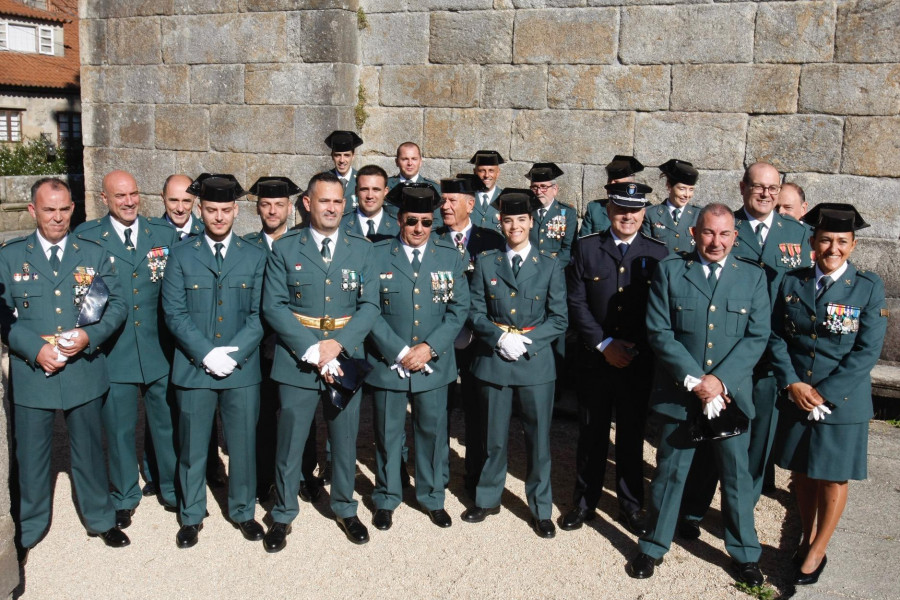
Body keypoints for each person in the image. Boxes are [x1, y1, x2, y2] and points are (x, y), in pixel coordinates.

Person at [628, 203, 769, 585]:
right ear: (694, 233)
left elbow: (757, 337)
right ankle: (653, 545)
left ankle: (745, 554)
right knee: (669, 474)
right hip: (680, 393)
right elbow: (659, 331)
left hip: (730, 396)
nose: (716, 241)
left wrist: (719, 382)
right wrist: (696, 380)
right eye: (708, 233)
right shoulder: (672, 272)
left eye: (724, 234)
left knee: (736, 477)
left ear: (735, 237)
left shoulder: (753, 278)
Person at [679, 162, 813, 539]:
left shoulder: (799, 235)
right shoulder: (723, 226)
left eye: (773, 188)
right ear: (743, 188)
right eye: (759, 187)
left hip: (769, 358)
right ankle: (691, 510)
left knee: (756, 444)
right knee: (709, 435)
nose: (766, 194)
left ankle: (740, 514)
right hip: (722, 356)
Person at [1, 178, 130, 562]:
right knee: (32, 455)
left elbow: (117, 304)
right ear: (32, 211)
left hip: (82, 368)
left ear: (73, 208)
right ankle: (30, 525)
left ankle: (100, 517)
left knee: (89, 450)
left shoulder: (93, 253)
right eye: (48, 210)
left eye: (64, 209)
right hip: (31, 372)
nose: (57, 217)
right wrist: (35, 348)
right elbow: (2, 313)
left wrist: (91, 337)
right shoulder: (8, 257)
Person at [769, 203, 886, 585]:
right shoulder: (791, 282)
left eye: (841, 242)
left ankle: (818, 549)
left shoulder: (868, 287)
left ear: (852, 245)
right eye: (825, 241)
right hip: (798, 394)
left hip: (843, 400)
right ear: (812, 242)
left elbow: (866, 352)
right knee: (802, 472)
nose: (833, 249)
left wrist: (824, 394)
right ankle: (805, 536)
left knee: (833, 477)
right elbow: (776, 336)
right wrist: (793, 383)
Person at [261, 172, 378, 551]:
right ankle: (282, 513)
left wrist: (338, 345)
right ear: (308, 203)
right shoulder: (286, 248)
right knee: (290, 439)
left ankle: (345, 506)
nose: (332, 207)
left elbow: (370, 305)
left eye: (338, 201)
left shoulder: (362, 249)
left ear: (346, 205)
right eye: (324, 201)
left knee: (344, 438)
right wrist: (311, 349)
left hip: (345, 357)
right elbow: (273, 306)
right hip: (298, 358)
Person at [161, 174, 267, 548]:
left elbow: (260, 315)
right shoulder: (181, 253)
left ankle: (242, 511)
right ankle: (191, 515)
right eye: (211, 210)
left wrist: (232, 355)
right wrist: (206, 353)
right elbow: (173, 312)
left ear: (236, 210)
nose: (218, 217)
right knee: (191, 447)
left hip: (241, 370)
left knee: (243, 446)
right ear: (200, 210)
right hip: (194, 368)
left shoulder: (255, 256)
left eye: (225, 210)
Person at [73, 170, 179, 527]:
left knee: (165, 423)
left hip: (158, 347)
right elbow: (83, 300)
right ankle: (124, 494)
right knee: (118, 427)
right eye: (120, 196)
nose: (129, 201)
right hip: (114, 351)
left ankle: (169, 487)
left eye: (133, 194)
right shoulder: (87, 237)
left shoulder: (162, 234)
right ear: (105, 199)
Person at [562, 182, 668, 535]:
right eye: (621, 209)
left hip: (637, 362)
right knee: (591, 433)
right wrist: (605, 344)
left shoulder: (659, 254)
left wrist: (633, 348)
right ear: (608, 210)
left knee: (630, 434)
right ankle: (584, 501)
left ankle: (631, 504)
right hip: (596, 360)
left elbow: (661, 310)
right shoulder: (587, 249)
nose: (628, 216)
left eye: (635, 211)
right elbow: (576, 302)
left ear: (644, 213)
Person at [462, 189, 568, 539]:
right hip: (494, 361)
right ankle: (487, 498)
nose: (515, 226)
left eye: (521, 220)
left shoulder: (549, 265)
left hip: (534, 362)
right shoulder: (487, 262)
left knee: (538, 441)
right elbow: (475, 311)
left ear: (531, 222)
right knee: (493, 437)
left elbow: (559, 318)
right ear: (500, 222)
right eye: (508, 220)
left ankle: (540, 507)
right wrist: (498, 338)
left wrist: (526, 340)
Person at [366, 185, 469, 530]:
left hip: (432, 364)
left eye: (427, 222)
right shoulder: (376, 255)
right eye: (412, 221)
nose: (420, 229)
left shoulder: (450, 255)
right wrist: (397, 350)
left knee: (432, 432)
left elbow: (458, 310)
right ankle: (386, 497)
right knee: (387, 433)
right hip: (388, 363)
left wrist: (429, 348)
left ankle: (431, 497)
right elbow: (368, 310)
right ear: (399, 219)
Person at [243, 176, 322, 503]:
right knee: (263, 417)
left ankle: (306, 473)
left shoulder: (302, 242)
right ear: (258, 208)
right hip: (259, 346)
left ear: (290, 208)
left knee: (301, 414)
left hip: (296, 346)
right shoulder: (247, 246)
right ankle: (265, 478)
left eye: (278, 205)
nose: (272, 211)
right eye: (265, 205)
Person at [435, 176, 504, 496]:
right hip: (441, 338)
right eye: (443, 201)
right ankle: (437, 473)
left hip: (479, 340)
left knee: (479, 411)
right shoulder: (432, 238)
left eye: (451, 201)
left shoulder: (491, 241)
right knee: (438, 408)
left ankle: (476, 475)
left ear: (470, 204)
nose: (445, 207)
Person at [641, 159, 701, 254]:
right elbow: (645, 249)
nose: (687, 194)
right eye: (682, 189)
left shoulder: (699, 215)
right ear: (669, 186)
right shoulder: (650, 214)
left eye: (691, 190)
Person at [580, 155, 644, 237]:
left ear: (630, 186)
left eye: (617, 183)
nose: (611, 186)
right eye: (609, 182)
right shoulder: (595, 209)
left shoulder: (644, 209)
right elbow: (583, 243)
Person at [526, 162, 576, 266]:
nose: (539, 192)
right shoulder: (526, 211)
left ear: (555, 189)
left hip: (556, 269)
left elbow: (568, 248)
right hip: (529, 267)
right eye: (534, 187)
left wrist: (550, 269)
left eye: (544, 187)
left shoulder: (567, 213)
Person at [340, 164, 399, 241]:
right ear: (356, 191)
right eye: (364, 189)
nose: (370, 196)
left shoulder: (398, 227)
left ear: (385, 192)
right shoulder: (340, 225)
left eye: (376, 189)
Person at [324, 130, 364, 210]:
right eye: (337, 155)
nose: (342, 160)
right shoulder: (323, 180)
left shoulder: (362, 180)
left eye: (347, 155)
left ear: (353, 156)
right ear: (332, 156)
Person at [469, 150, 504, 231]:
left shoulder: (504, 198)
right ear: (475, 172)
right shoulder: (467, 197)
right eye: (482, 171)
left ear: (498, 173)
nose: (487, 175)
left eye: (491, 170)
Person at [161, 174, 203, 240]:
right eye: (174, 200)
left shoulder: (207, 233)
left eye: (186, 201)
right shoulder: (151, 234)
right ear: (163, 198)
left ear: (194, 199)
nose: (180, 209)